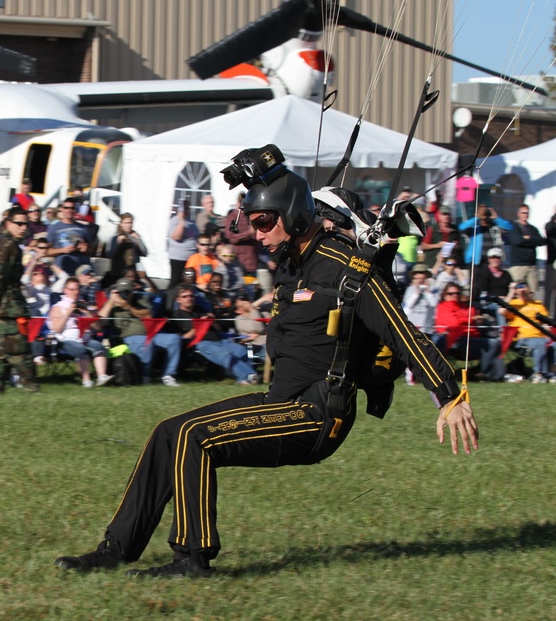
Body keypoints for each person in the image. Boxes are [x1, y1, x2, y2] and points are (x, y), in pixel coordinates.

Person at [55, 154, 476, 579]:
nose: (255, 236)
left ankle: (191, 559)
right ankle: (116, 549)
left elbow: (404, 334)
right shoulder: (294, 264)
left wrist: (449, 395)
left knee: (193, 437)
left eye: (261, 223)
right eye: (251, 223)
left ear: (290, 216)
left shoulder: (348, 270)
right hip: (280, 402)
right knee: (168, 432)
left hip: (316, 414)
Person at [0, 207, 37, 394]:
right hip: (6, 308)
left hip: (1, 309)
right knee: (18, 352)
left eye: (25, 224)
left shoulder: (6, 243)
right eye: (19, 223)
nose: (23, 227)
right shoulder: (7, 245)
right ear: (7, 223)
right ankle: (30, 388)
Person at [99, 276, 183, 387]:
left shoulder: (140, 299)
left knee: (174, 339)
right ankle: (144, 376)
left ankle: (168, 375)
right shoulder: (112, 304)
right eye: (122, 292)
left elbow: (149, 314)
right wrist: (110, 302)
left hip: (149, 335)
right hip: (128, 338)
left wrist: (128, 307)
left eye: (127, 292)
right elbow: (100, 322)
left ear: (133, 291)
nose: (125, 294)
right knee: (147, 342)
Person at [172, 284, 258, 384]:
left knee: (241, 351)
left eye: (191, 296)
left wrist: (213, 321)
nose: (189, 298)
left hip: (219, 339)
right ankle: (249, 376)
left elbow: (218, 328)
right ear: (178, 300)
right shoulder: (178, 315)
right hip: (201, 343)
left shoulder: (200, 309)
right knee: (226, 356)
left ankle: (243, 379)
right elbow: (184, 337)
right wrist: (200, 325)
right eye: (185, 296)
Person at [46, 277, 112, 387]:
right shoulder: (58, 307)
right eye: (72, 290)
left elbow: (97, 327)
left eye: (77, 289)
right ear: (65, 290)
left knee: (98, 347)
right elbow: (56, 329)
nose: (75, 292)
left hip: (85, 337)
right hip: (67, 339)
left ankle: (102, 376)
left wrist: (87, 312)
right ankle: (86, 380)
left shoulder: (84, 305)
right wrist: (68, 312)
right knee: (81, 350)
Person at [433, 283, 504, 381]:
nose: (455, 296)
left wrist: (477, 319)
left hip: (474, 338)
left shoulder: (465, 306)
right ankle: (483, 372)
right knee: (494, 343)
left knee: (498, 342)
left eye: (457, 293)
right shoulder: (443, 307)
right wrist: (471, 319)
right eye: (451, 293)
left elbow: (472, 314)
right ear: (444, 295)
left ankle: (495, 376)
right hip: (457, 341)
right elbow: (454, 323)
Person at [499, 282, 552, 383]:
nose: (522, 289)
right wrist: (511, 291)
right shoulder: (513, 304)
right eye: (519, 287)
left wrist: (547, 327)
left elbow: (546, 321)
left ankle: (551, 373)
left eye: (524, 286)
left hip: (540, 336)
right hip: (521, 338)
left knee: (553, 345)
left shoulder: (538, 304)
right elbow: (502, 312)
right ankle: (538, 374)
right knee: (540, 343)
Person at [506, 204, 545, 294]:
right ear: (518, 213)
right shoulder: (514, 227)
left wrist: (528, 238)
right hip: (518, 265)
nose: (525, 215)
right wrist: (531, 241)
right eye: (523, 213)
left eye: (527, 213)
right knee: (515, 291)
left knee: (531, 292)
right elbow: (517, 241)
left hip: (531, 265)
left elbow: (541, 241)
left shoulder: (533, 228)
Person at [104, 212, 147, 287]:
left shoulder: (134, 237)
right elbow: (110, 255)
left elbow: (145, 253)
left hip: (131, 274)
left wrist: (138, 240)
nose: (129, 225)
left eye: (130, 223)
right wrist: (118, 243)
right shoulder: (115, 237)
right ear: (121, 224)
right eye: (126, 223)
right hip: (118, 273)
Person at [167, 199, 198, 286]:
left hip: (191, 259)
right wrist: (181, 219)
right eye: (183, 208)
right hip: (179, 259)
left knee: (188, 281)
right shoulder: (175, 221)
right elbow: (177, 236)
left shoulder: (191, 223)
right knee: (176, 281)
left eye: (187, 208)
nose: (186, 211)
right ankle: (171, 298)